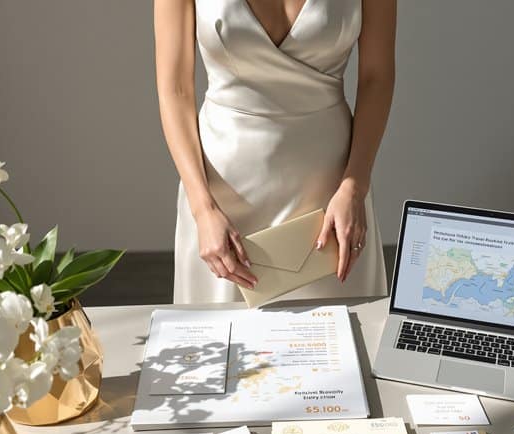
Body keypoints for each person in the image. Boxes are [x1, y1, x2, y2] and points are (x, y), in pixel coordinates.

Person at [155, 0, 396, 304]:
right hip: (221, 194)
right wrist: (203, 209)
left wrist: (354, 186)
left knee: (340, 337)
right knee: (223, 339)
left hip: (333, 190)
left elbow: (377, 76)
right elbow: (175, 89)